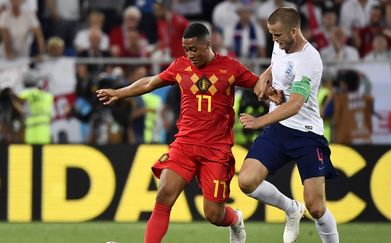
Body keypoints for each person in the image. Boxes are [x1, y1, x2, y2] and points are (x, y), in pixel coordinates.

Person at [96, 23, 282, 243]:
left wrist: (272, 95)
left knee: (214, 214)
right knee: (164, 194)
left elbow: (258, 85)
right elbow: (149, 82)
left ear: (208, 44)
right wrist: (119, 92)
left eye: (194, 49)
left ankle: (235, 220)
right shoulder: (180, 66)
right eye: (186, 50)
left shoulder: (230, 68)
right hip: (184, 144)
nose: (190, 54)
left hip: (216, 149)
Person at [237, 8, 339, 243]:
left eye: (277, 36)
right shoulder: (280, 43)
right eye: (271, 35)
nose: (274, 40)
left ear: (294, 31)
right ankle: (291, 209)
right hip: (278, 130)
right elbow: (278, 62)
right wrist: (265, 75)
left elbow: (295, 104)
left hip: (306, 135)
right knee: (246, 181)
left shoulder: (310, 59)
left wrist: (259, 121)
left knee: (315, 206)